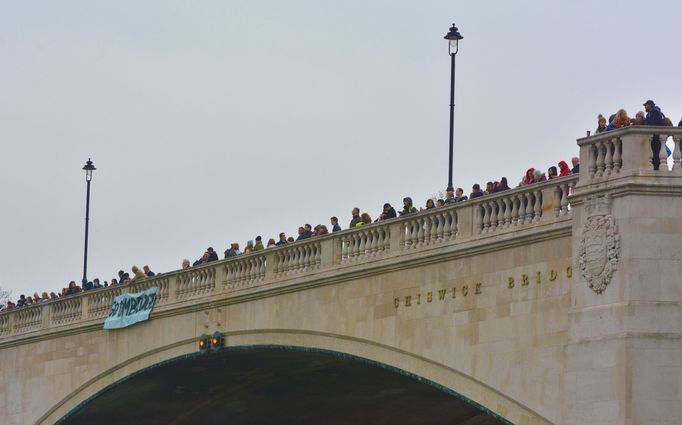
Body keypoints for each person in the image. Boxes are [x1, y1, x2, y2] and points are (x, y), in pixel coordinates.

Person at [643, 100, 666, 170]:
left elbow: (658, 123)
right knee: (652, 154)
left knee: (656, 154)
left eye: (645, 105)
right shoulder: (649, 114)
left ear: (649, 105)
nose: (645, 107)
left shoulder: (655, 112)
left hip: (656, 137)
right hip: (652, 138)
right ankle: (655, 167)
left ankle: (657, 168)